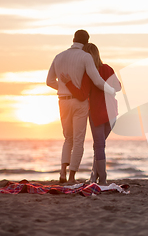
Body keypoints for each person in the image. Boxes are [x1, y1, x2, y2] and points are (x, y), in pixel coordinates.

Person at [46, 30, 116, 184]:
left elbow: (49, 81)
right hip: (79, 102)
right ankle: (72, 177)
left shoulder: (58, 56)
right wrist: (111, 90)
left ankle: (62, 172)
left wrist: (64, 88)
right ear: (86, 42)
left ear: (73, 39)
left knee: (68, 138)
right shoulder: (86, 57)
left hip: (62, 101)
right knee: (78, 140)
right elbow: (97, 81)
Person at [60, 43, 121, 185]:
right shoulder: (108, 68)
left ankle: (103, 178)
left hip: (97, 113)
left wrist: (68, 83)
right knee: (100, 145)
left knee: (99, 145)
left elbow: (81, 96)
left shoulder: (88, 73)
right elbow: (118, 87)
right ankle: (94, 176)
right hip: (112, 113)